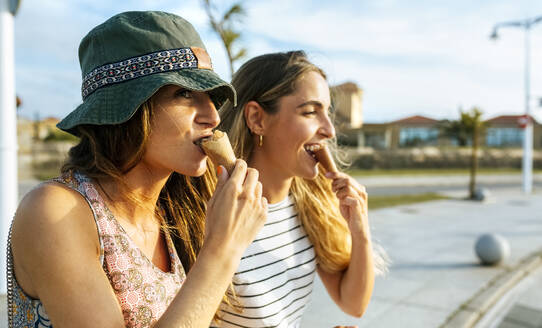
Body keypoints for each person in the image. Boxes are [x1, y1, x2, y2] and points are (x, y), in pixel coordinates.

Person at [7, 11, 268, 328]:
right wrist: (223, 249)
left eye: (212, 97)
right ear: (126, 107)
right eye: (184, 93)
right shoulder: (55, 211)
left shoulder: (171, 213)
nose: (212, 117)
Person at [215, 51, 388, 327]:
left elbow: (353, 304)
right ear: (257, 119)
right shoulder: (216, 213)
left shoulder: (310, 205)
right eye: (310, 112)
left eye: (327, 112)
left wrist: (360, 230)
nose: (330, 130)